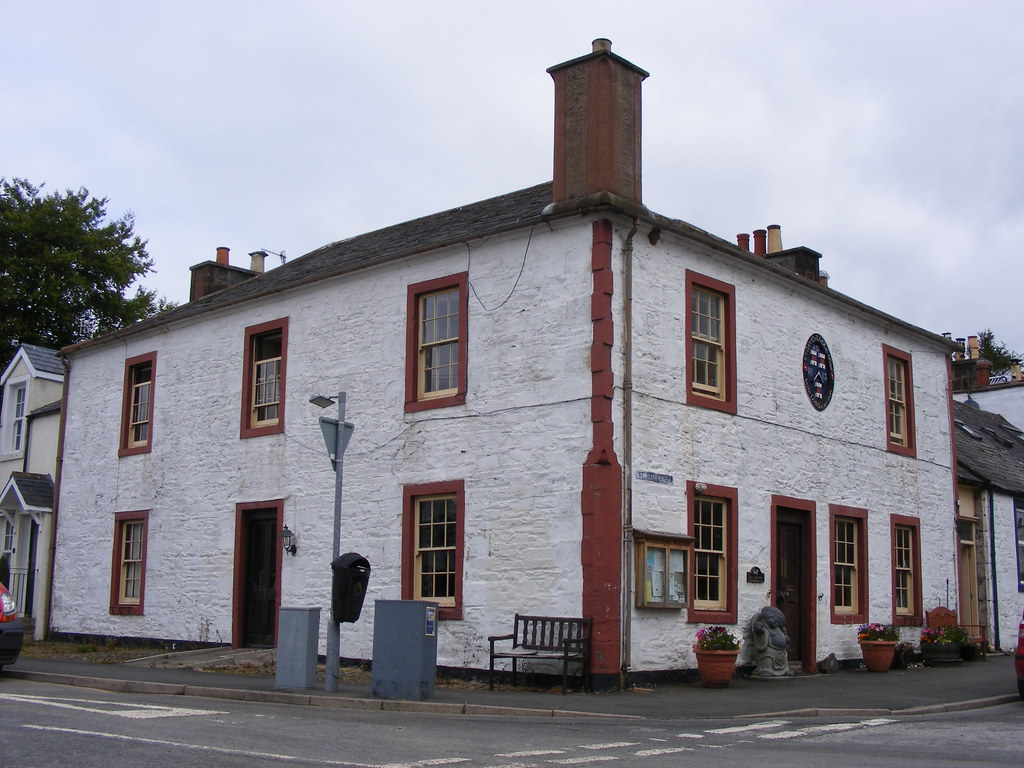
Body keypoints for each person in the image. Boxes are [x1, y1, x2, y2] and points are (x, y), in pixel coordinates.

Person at [750, 606, 790, 677]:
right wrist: (758, 628)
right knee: (768, 656)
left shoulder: (777, 628)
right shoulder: (763, 626)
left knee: (784, 655)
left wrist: (786, 640)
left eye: (776, 619)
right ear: (765, 619)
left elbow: (784, 635)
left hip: (780, 650)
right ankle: (766, 669)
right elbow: (757, 630)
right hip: (769, 649)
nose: (775, 621)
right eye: (772, 618)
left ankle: (785, 670)